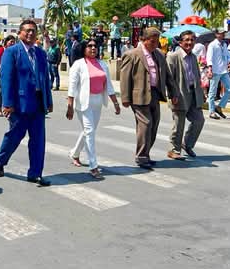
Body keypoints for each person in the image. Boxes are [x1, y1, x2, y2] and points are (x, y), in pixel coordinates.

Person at [0, 19, 53, 187]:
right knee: (15, 136)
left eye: (33, 30)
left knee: (38, 140)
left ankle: (35, 173)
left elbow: (45, 79)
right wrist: (7, 103)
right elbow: (6, 79)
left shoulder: (40, 53)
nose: (31, 33)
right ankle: (0, 159)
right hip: (19, 104)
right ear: (20, 33)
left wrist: (48, 100)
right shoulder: (12, 52)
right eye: (27, 30)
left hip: (38, 103)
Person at [119, 27, 177, 169]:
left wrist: (173, 93)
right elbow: (125, 77)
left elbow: (167, 75)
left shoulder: (159, 54)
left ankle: (146, 154)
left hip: (155, 94)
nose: (155, 44)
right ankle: (141, 157)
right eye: (152, 41)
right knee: (146, 125)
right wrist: (125, 97)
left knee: (154, 125)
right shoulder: (132, 54)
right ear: (143, 40)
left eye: (157, 41)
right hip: (138, 96)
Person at [66, 39, 120, 179]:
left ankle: (74, 153)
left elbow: (108, 85)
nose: (93, 48)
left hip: (97, 101)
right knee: (89, 131)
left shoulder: (102, 64)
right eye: (89, 46)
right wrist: (70, 105)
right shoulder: (78, 64)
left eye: (95, 46)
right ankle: (93, 165)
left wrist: (115, 102)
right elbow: (72, 86)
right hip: (83, 102)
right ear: (84, 49)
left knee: (88, 131)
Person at [165, 30, 205, 159]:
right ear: (180, 42)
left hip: (194, 93)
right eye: (187, 40)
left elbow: (196, 75)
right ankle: (174, 150)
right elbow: (168, 78)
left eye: (192, 40)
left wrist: (201, 92)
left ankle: (187, 144)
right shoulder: (173, 56)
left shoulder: (193, 57)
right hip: (179, 94)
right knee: (179, 124)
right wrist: (172, 95)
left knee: (199, 120)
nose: (189, 42)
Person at [206, 28, 230, 119]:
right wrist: (210, 69)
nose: (222, 35)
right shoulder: (212, 45)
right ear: (216, 34)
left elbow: (227, 55)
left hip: (224, 70)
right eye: (220, 33)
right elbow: (209, 57)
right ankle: (211, 111)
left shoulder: (224, 44)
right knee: (212, 93)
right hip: (215, 70)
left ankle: (219, 106)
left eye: (223, 33)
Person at [0, 35, 15, 115]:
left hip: (13, 74)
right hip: (3, 74)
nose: (12, 43)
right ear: (6, 42)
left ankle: (9, 108)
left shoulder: (15, 51)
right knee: (2, 91)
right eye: (11, 42)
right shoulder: (2, 50)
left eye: (14, 42)